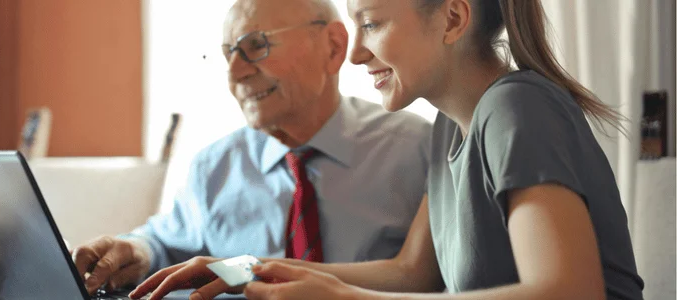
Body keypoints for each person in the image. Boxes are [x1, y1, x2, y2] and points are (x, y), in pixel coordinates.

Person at [129, 0, 646, 299]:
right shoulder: (450, 126)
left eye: (372, 23)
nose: (354, 53)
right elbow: (412, 272)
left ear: (451, 19)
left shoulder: (516, 109)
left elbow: (568, 293)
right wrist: (245, 267)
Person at [70, 0, 432, 295]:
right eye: (229, 54)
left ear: (334, 47)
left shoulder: (420, 150)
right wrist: (136, 251)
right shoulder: (215, 166)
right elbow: (165, 241)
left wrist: (241, 270)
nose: (235, 73)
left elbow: (425, 276)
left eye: (256, 46)